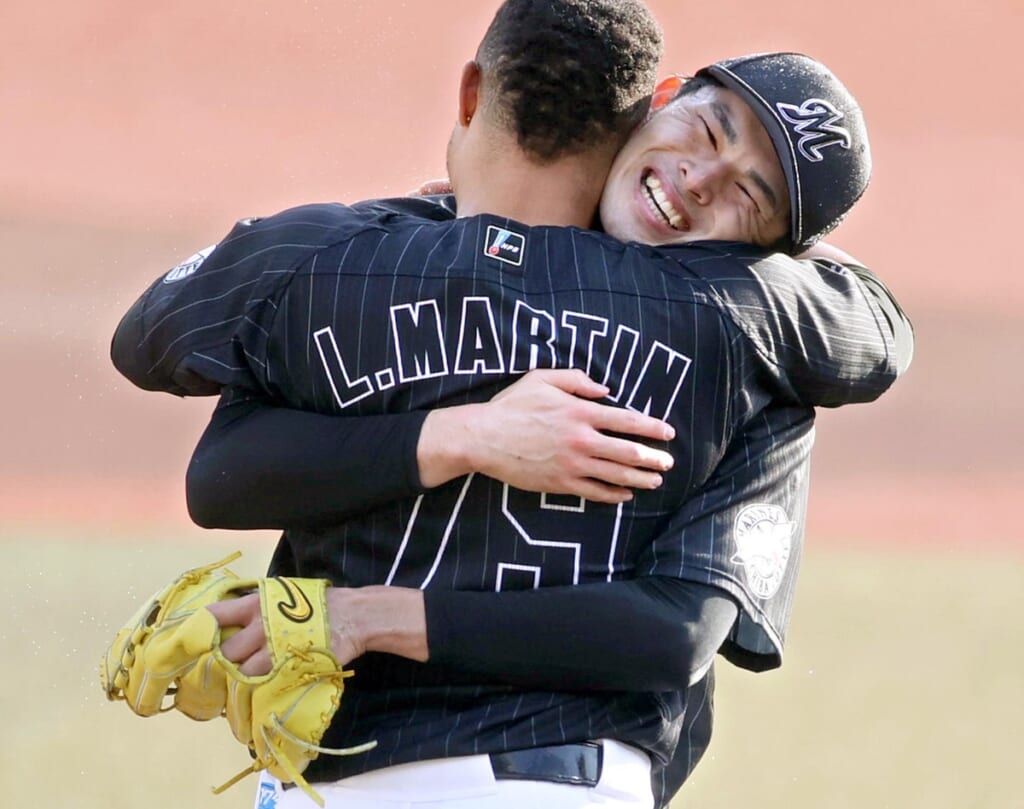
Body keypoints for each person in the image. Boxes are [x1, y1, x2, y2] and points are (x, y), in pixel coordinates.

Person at [110, 2, 913, 806]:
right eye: (709, 133)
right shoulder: (755, 340)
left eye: (748, 195)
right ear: (657, 102)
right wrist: (468, 433)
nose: (699, 180)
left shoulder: (352, 262)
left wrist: (374, 611)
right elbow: (678, 629)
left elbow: (195, 435)